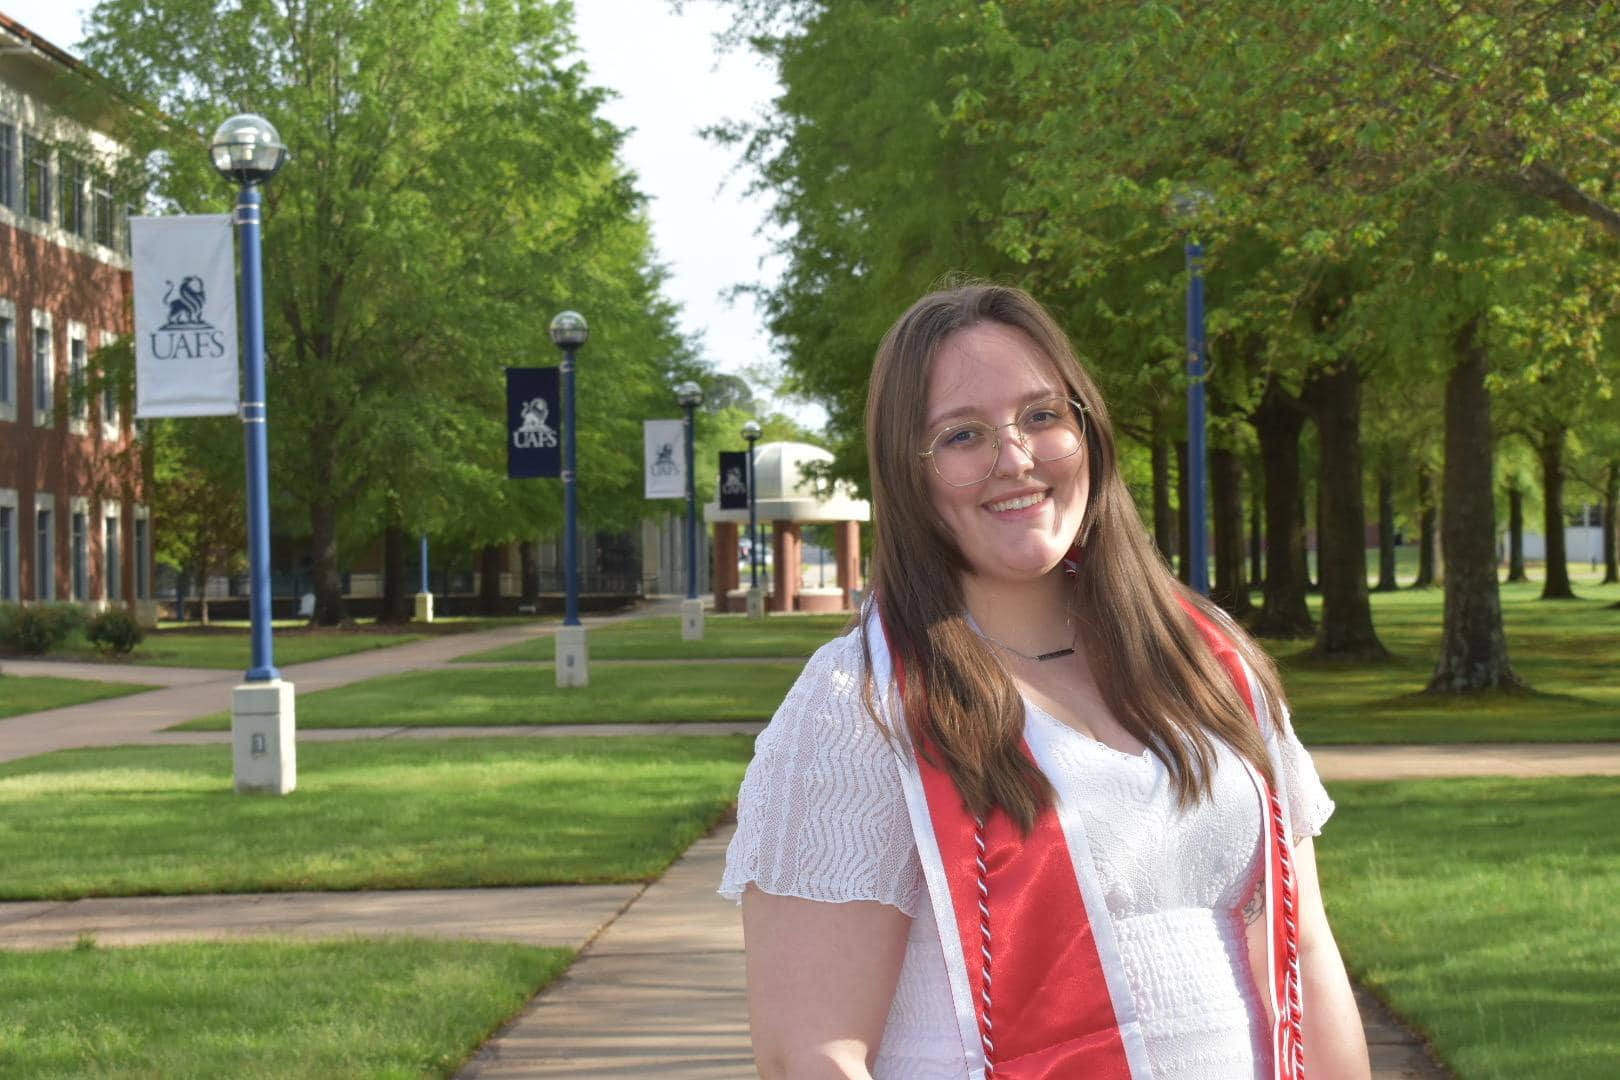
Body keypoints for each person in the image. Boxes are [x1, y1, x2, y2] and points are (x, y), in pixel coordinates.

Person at [720, 283, 1372, 1080]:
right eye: (962, 435)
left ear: (1086, 429)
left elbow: (1303, 948)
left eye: (1042, 416)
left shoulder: (1209, 661)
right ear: (908, 473)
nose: (1016, 458)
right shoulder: (863, 704)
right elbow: (810, 1056)